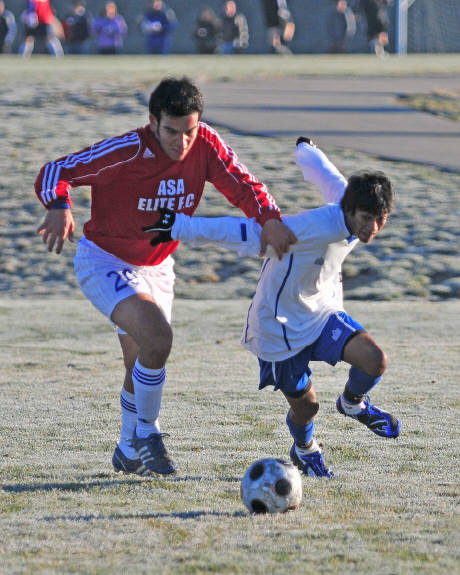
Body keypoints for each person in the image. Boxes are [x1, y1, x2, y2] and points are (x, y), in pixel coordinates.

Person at [34, 76, 297, 477]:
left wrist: (270, 219)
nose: (182, 141)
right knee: (157, 337)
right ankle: (148, 433)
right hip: (105, 261)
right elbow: (56, 170)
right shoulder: (127, 150)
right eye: (172, 131)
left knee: (141, 359)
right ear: (153, 122)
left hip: (158, 265)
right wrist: (58, 205)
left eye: (189, 130)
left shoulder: (206, 144)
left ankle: (127, 449)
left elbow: (244, 186)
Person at [143, 138, 401, 478]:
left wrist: (305, 150)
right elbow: (248, 233)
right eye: (367, 218)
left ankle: (352, 404)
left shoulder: (350, 203)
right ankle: (305, 450)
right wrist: (181, 226)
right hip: (278, 328)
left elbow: (329, 176)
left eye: (381, 219)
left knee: (375, 360)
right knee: (307, 408)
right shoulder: (314, 227)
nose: (373, 228)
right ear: (350, 211)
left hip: (320, 314)